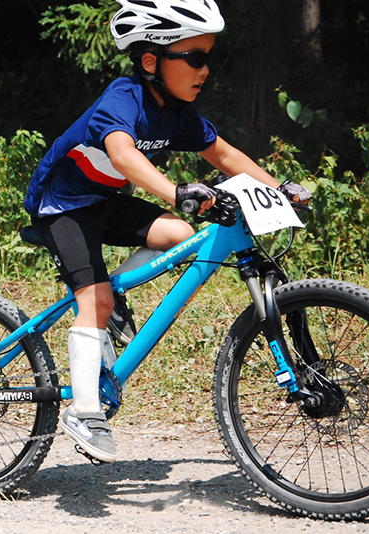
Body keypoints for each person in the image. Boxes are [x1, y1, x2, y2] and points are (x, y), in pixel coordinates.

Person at [23, 0, 311, 463]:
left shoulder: (175, 113)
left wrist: (282, 188)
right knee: (92, 298)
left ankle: (110, 299)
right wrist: (175, 190)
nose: (205, 69)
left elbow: (226, 156)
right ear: (152, 61)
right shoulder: (122, 98)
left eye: (208, 57)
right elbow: (122, 155)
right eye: (194, 57)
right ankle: (83, 410)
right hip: (62, 204)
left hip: (103, 202)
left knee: (179, 234)